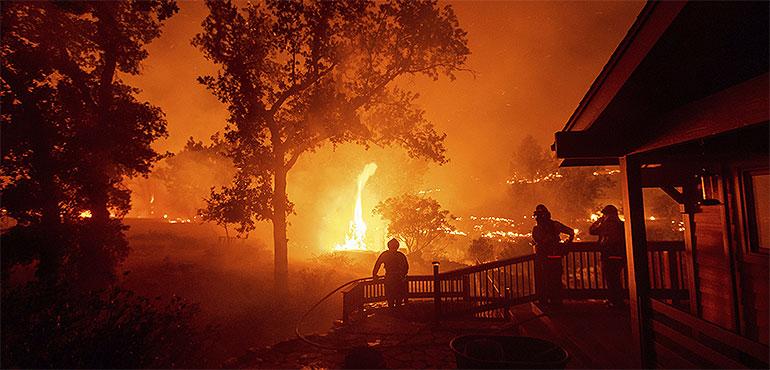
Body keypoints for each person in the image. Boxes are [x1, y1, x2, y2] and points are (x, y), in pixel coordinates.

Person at [531, 204, 574, 306]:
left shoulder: (537, 229)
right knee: (556, 279)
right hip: (556, 256)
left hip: (544, 258)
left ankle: (545, 300)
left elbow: (537, 241)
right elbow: (571, 232)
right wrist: (567, 244)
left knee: (545, 279)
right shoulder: (555, 225)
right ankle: (557, 300)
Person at [589, 204, 627, 308]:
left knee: (610, 279)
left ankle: (613, 301)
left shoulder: (604, 225)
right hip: (619, 255)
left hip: (607, 255)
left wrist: (598, 221)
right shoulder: (622, 225)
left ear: (606, 214)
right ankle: (618, 300)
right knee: (616, 279)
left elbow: (591, 231)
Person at [372, 238, 409, 308]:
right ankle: (397, 312)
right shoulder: (401, 255)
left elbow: (378, 264)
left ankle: (392, 311)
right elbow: (406, 267)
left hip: (390, 279)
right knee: (398, 297)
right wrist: (403, 275)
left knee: (390, 296)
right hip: (399, 279)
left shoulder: (385, 254)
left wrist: (374, 275)